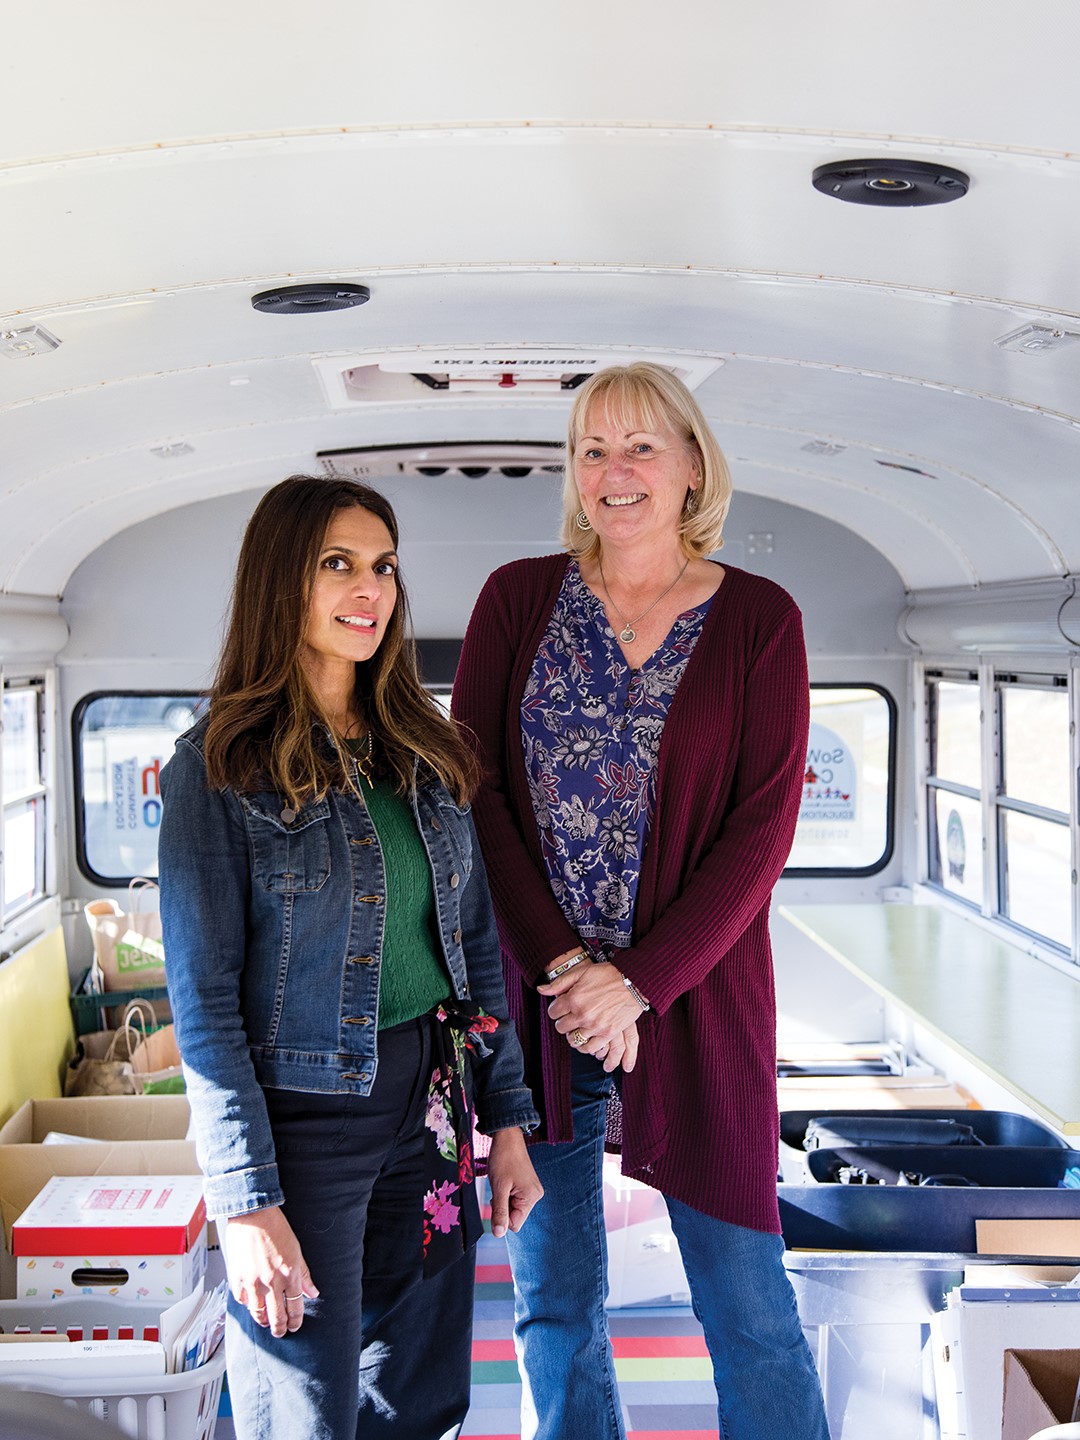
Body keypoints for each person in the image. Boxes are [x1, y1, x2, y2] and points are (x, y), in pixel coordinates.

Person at [453, 363, 830, 1440]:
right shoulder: (517, 599)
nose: (616, 473)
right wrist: (569, 972)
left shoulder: (762, 620)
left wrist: (639, 984)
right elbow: (474, 793)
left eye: (642, 447)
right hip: (544, 1010)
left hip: (698, 1005)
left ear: (693, 465)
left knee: (749, 1306)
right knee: (554, 1309)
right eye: (592, 450)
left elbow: (762, 831)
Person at [158, 474, 542, 1440]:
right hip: (305, 1129)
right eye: (338, 564)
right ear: (279, 581)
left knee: (421, 1397)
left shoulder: (424, 749)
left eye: (383, 567)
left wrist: (507, 1122)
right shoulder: (216, 770)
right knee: (307, 1406)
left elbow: (475, 950)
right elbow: (203, 1008)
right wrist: (246, 1204)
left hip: (434, 1112)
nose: (369, 589)